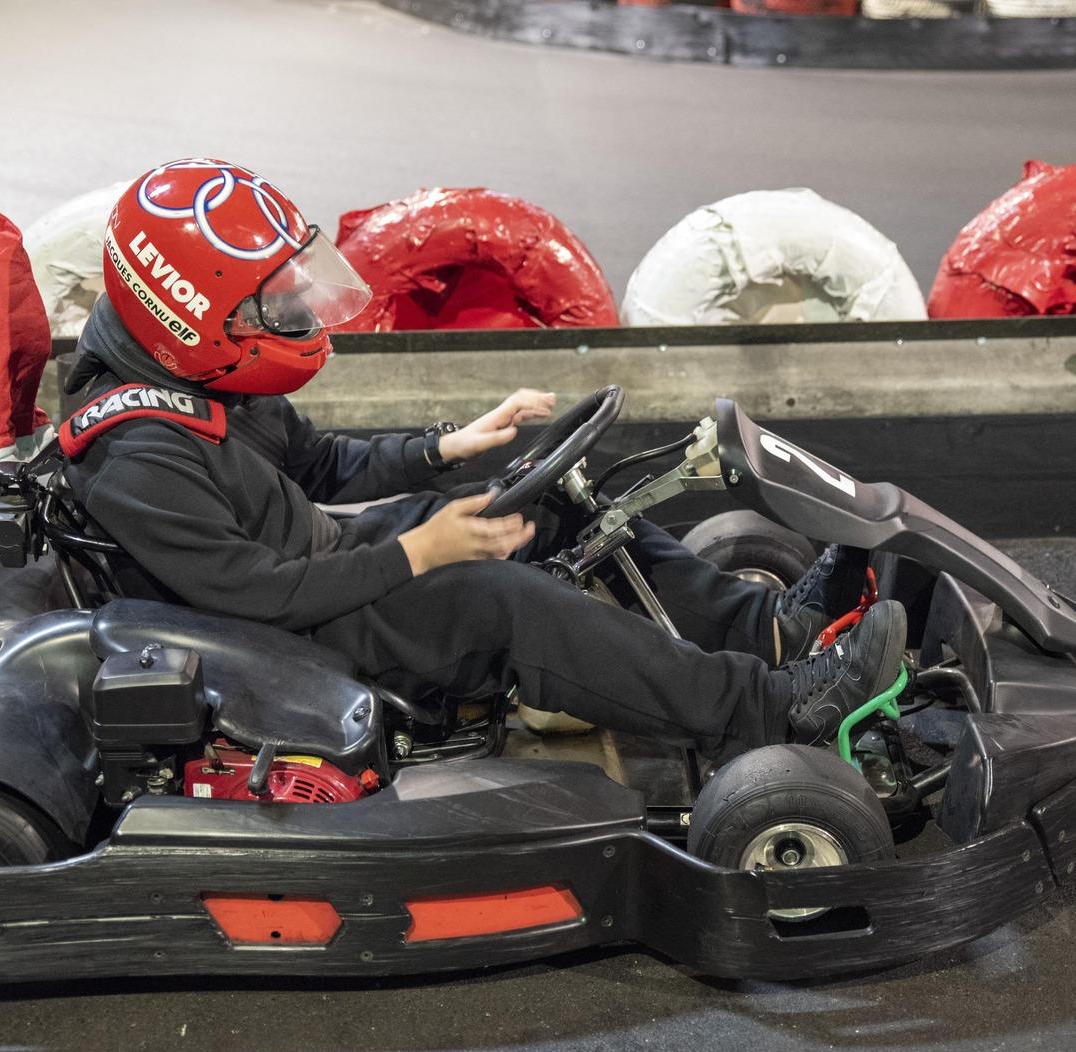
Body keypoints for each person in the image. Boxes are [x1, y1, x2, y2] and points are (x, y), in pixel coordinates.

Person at [62, 158, 907, 758]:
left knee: (546, 508)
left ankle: (766, 631)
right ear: (186, 314)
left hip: (320, 563)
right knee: (504, 602)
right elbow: (258, 594)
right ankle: (770, 710)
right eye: (270, 305)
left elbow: (317, 465)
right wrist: (416, 554)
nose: (292, 315)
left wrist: (443, 447)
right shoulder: (136, 454)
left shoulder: (199, 375)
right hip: (282, 636)